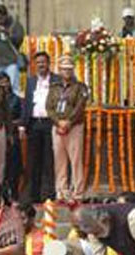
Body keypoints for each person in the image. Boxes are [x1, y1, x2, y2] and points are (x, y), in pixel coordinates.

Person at [47, 56, 88, 201]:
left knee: (75, 159)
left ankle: (78, 192)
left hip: (74, 126)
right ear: (59, 70)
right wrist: (58, 122)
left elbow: (80, 106)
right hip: (57, 126)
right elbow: (49, 107)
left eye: (69, 69)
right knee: (59, 160)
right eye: (64, 69)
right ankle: (61, 191)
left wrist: (69, 122)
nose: (67, 72)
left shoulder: (80, 87)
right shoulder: (54, 87)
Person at [22, 52, 59, 203]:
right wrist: (23, 125)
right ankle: (34, 195)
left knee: (49, 161)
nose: (41, 65)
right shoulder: (31, 81)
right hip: (34, 124)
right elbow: (27, 103)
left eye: (43, 62)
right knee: (33, 161)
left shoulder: (56, 80)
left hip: (50, 123)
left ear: (49, 63)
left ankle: (49, 195)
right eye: (38, 63)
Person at [0, 5, 25, 96]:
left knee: (13, 87)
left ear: (5, 15)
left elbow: (19, 40)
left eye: (1, 17)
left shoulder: (15, 25)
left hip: (11, 62)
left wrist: (6, 33)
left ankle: (13, 108)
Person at [0, 72, 23, 197]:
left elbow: (22, 117)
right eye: (0, 82)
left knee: (14, 165)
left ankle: (14, 192)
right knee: (1, 165)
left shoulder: (16, 99)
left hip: (12, 135)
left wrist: (11, 123)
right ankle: (1, 192)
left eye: (5, 81)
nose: (3, 84)